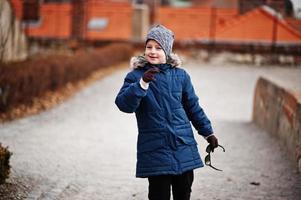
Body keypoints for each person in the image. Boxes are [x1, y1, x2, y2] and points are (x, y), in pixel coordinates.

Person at [115, 24, 219, 200]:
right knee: (158, 195)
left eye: (158, 47)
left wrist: (208, 132)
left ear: (168, 51)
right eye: (149, 47)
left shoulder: (181, 76)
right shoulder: (135, 76)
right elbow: (124, 105)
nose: (152, 51)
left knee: (183, 193)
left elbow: (193, 107)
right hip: (155, 148)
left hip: (183, 145)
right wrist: (142, 84)